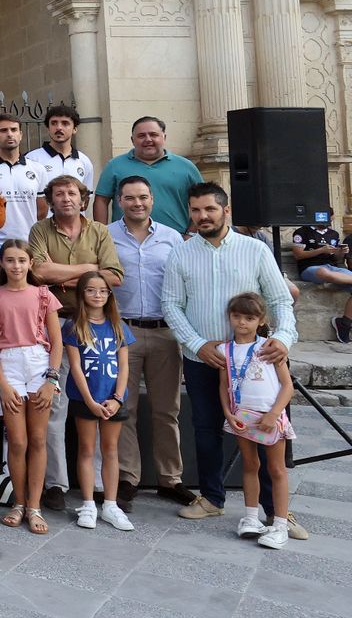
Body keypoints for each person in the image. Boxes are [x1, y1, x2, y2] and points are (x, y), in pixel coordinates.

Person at [162, 183, 302, 538]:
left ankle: (277, 513)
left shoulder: (254, 250)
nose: (202, 216)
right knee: (207, 428)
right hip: (204, 357)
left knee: (268, 434)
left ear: (226, 211)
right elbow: (171, 305)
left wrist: (283, 338)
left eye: (209, 209)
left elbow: (281, 300)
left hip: (256, 362)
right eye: (195, 210)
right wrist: (196, 343)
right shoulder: (181, 253)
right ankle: (211, 498)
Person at [28, 174, 123, 511]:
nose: (66, 198)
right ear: (50, 200)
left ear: (83, 198)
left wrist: (66, 277)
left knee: (96, 400)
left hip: (93, 326)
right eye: (58, 193)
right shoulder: (40, 230)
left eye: (72, 193)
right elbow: (37, 273)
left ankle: (96, 483)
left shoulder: (99, 231)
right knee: (54, 404)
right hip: (53, 325)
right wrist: (87, 270)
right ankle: (56, 483)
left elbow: (113, 275)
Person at [108, 176, 191, 510]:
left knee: (166, 409)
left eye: (143, 197)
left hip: (163, 330)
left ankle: (171, 479)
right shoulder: (106, 235)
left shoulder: (172, 238)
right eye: (129, 198)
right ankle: (128, 477)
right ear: (119, 201)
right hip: (122, 331)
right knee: (123, 409)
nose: (137, 203)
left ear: (152, 200)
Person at [0, 240, 63, 535]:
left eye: (21, 260)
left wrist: (51, 380)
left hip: (38, 363)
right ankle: (19, 501)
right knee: (17, 441)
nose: (16, 266)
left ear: (30, 263)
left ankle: (35, 506)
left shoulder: (43, 295)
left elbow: (56, 341)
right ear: (1, 264)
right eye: (10, 260)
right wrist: (1, 382)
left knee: (38, 438)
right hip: (9, 364)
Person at [219, 292, 295, 549]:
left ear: (260, 320)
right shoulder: (225, 350)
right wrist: (228, 412)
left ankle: (280, 525)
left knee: (276, 469)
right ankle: (251, 517)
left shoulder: (269, 348)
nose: (242, 322)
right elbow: (224, 385)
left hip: (270, 417)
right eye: (237, 316)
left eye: (249, 317)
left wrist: (274, 414)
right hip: (242, 417)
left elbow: (287, 386)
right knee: (250, 464)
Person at [62, 271, 136, 531]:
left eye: (103, 291)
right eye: (91, 290)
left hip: (113, 398)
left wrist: (116, 398)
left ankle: (111, 504)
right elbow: (75, 367)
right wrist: (90, 401)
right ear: (82, 294)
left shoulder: (118, 325)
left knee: (111, 449)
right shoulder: (73, 326)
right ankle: (88, 503)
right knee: (86, 449)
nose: (98, 295)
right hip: (87, 398)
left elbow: (125, 367)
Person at [93, 116, 202, 232]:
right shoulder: (114, 166)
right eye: (141, 136)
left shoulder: (186, 167)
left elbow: (203, 201)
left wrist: (190, 234)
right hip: (125, 241)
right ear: (132, 140)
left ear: (164, 137)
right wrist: (102, 234)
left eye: (153, 135)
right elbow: (101, 201)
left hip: (175, 241)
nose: (148, 139)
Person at [26, 104, 94, 218]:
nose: (59, 128)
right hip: (44, 230)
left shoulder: (84, 161)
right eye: (54, 123)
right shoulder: (32, 159)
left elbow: (85, 199)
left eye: (65, 123)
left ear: (75, 129)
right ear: (48, 128)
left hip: (75, 231)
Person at [0, 114, 43, 244]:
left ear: (21, 134)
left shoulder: (37, 169)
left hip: (27, 243)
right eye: (3, 130)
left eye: (13, 130)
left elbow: (41, 211)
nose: (9, 134)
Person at [292, 221, 352, 288]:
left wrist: (341, 252)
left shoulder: (334, 234)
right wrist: (321, 250)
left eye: (330, 220)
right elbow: (298, 255)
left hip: (332, 268)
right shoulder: (302, 231)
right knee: (322, 271)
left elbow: (337, 258)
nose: (328, 222)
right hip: (310, 268)